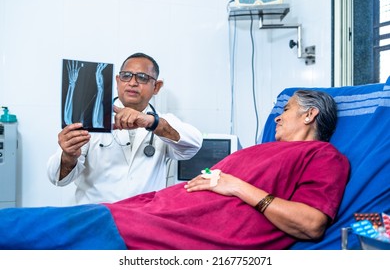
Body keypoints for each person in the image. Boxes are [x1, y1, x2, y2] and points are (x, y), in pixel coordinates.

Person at [0, 90, 349, 250]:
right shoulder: (260, 151)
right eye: (125, 76)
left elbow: (311, 224)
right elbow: (58, 174)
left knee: (28, 228)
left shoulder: (322, 155)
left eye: (286, 109)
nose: (277, 116)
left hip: (156, 229)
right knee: (33, 227)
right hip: (142, 213)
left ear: (310, 115)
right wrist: (68, 155)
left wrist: (234, 185)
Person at [47, 52, 203, 204]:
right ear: (117, 81)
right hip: (98, 218)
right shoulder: (89, 119)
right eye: (126, 76)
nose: (132, 83)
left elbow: (193, 146)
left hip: (144, 220)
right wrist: (69, 156)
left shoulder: (163, 122)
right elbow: (57, 179)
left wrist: (151, 122)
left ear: (156, 86)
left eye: (142, 77)